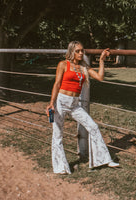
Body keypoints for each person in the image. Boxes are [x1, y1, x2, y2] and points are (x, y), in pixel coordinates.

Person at [46, 41, 119, 175]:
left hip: (75, 104)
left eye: (82, 51)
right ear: (71, 51)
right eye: (78, 51)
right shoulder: (63, 64)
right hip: (61, 101)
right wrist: (51, 103)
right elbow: (57, 84)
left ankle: (103, 159)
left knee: (93, 126)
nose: (81, 53)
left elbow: (100, 77)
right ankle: (61, 167)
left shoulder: (84, 67)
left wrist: (102, 60)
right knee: (57, 135)